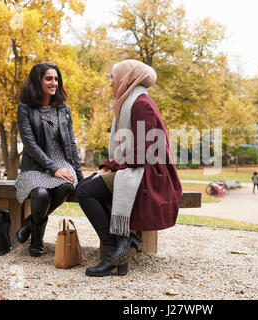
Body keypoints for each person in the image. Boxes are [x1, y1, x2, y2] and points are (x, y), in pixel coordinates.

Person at [76, 60, 183, 277]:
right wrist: (110, 167)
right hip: (138, 167)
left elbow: (144, 150)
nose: (110, 83)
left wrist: (111, 166)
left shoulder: (141, 104)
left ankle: (115, 249)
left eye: (113, 77)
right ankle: (122, 246)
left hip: (149, 173)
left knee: (84, 191)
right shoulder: (131, 102)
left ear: (127, 78)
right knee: (84, 185)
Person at [14, 62, 84, 257]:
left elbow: (70, 144)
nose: (54, 83)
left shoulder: (64, 110)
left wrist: (79, 175)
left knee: (67, 185)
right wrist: (52, 168)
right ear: (38, 80)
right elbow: (30, 144)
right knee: (42, 195)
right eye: (49, 78)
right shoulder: (25, 108)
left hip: (62, 163)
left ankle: (29, 226)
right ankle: (36, 240)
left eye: (56, 79)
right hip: (35, 166)